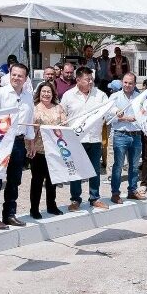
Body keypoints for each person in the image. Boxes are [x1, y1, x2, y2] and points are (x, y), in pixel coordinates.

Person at [0, 64, 35, 230]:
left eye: (20, 76)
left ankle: (9, 214)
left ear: (25, 79)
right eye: (14, 75)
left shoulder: (28, 97)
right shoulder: (0, 93)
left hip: (19, 142)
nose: (16, 78)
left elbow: (29, 122)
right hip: (1, 140)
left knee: (14, 180)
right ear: (9, 75)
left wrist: (31, 142)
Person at [61, 67, 110, 210]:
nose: (90, 82)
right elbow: (62, 114)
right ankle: (75, 199)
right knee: (76, 170)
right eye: (87, 79)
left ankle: (94, 198)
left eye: (91, 79)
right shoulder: (68, 96)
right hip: (76, 139)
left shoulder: (100, 95)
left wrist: (117, 113)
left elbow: (108, 110)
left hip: (94, 138)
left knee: (94, 170)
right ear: (78, 80)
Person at [107, 72, 146, 204]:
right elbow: (108, 117)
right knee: (118, 166)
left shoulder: (140, 98)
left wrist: (127, 118)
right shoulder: (114, 97)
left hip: (136, 135)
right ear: (122, 82)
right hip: (120, 135)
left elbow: (144, 116)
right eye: (125, 82)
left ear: (135, 84)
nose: (127, 85)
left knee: (134, 166)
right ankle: (115, 193)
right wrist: (125, 118)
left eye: (130, 83)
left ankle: (132, 191)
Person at [30, 81, 66, 219]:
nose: (46, 94)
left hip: (55, 150)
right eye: (43, 91)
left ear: (53, 94)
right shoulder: (34, 108)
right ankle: (34, 208)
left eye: (49, 92)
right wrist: (31, 146)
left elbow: (65, 124)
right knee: (37, 181)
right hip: (38, 150)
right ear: (39, 93)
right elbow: (29, 130)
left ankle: (51, 205)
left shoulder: (58, 108)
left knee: (53, 180)